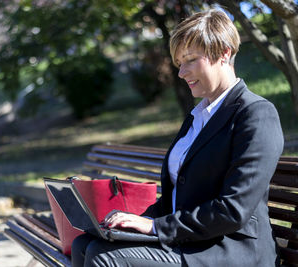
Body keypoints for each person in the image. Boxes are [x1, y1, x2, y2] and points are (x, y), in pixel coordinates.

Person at [71, 8, 284, 267]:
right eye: (179, 63)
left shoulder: (256, 114)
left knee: (105, 258)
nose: (181, 72)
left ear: (224, 53)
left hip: (230, 250)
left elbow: (233, 211)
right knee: (84, 243)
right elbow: (179, 198)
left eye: (191, 59)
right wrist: (128, 221)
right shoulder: (197, 118)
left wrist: (153, 226)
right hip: (191, 240)